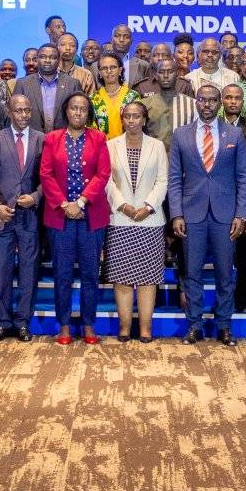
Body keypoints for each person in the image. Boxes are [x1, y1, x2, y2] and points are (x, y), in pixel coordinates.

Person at [169, 84, 246, 345]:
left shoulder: (235, 134)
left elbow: (244, 177)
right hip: (191, 214)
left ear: (219, 103)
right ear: (196, 102)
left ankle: (224, 325)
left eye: (212, 100)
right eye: (202, 99)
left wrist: (241, 213)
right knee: (192, 273)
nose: (207, 104)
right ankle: (195, 324)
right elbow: (174, 178)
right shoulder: (181, 135)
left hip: (225, 215)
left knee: (225, 274)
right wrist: (176, 213)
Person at [41, 92, 111, 344]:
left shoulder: (99, 138)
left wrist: (80, 202)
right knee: (62, 274)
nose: (78, 112)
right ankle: (64, 326)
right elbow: (46, 175)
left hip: (91, 216)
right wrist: (64, 204)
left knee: (91, 274)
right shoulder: (52, 138)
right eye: (73, 108)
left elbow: (103, 174)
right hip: (60, 217)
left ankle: (88, 325)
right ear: (66, 111)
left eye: (83, 108)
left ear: (88, 113)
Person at [103, 100, 166, 343]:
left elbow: (162, 181)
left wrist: (148, 207)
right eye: (127, 116)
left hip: (150, 220)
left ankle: (146, 329)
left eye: (136, 116)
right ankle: (124, 328)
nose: (131, 120)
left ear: (144, 119)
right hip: (120, 218)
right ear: (122, 119)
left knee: (148, 278)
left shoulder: (157, 146)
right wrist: (124, 206)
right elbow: (106, 181)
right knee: (122, 277)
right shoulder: (110, 145)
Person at [0, 94, 43, 342]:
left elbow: (48, 177)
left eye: (27, 110)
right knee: (1, 270)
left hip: (30, 216)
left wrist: (36, 196)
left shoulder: (42, 139)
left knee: (29, 271)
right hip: (2, 216)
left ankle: (23, 322)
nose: (23, 115)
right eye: (18, 110)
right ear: (9, 112)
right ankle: (3, 321)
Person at [16, 44, 81, 132]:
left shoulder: (72, 84)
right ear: (37, 59)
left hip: (64, 138)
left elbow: (80, 114)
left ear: (59, 60)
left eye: (52, 57)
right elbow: (15, 115)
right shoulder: (22, 84)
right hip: (31, 138)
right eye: (43, 57)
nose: (47, 60)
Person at [89, 53, 140, 140]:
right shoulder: (93, 99)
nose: (109, 71)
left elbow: (138, 124)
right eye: (104, 68)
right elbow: (91, 129)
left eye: (113, 67)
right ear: (100, 73)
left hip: (128, 144)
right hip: (102, 146)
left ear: (120, 70)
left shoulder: (133, 96)